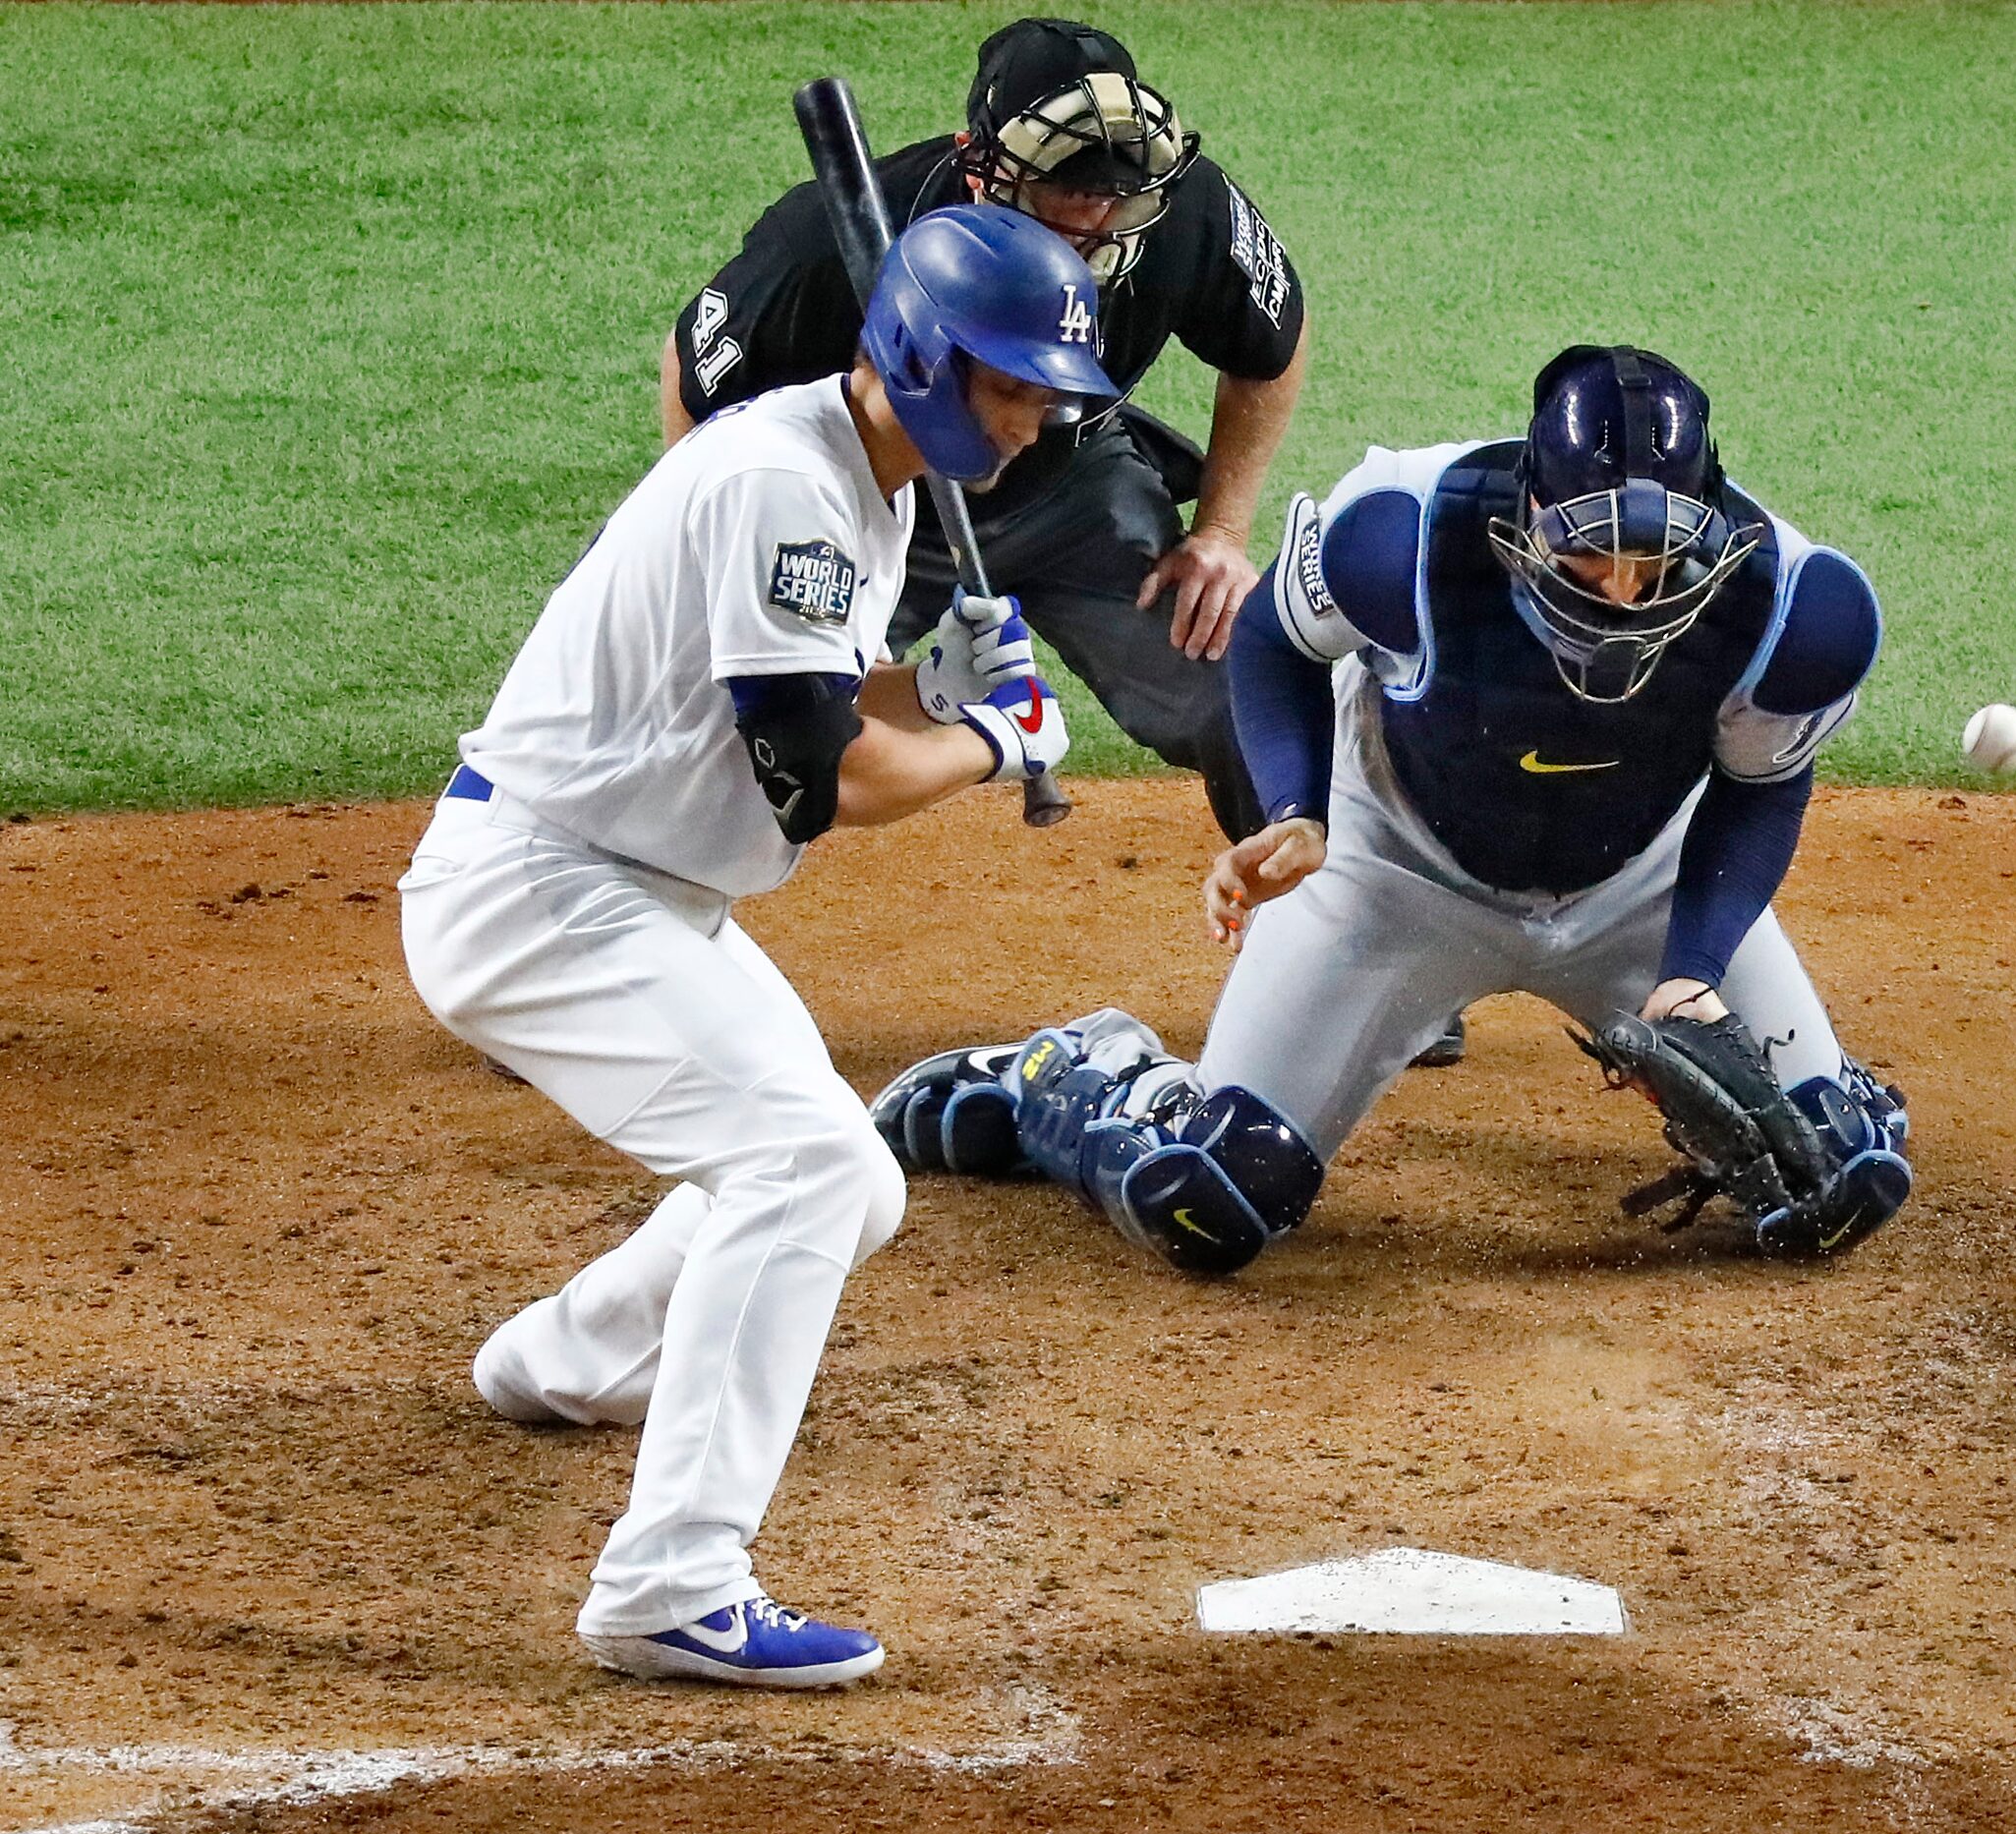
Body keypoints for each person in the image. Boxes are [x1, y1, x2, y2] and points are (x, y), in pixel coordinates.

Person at [400, 206, 1109, 1687]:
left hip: (633, 883)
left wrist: (926, 684)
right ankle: (669, 1584)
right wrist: (987, 737)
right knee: (810, 1170)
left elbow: (827, 703)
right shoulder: (787, 481)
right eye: (1013, 383)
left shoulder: (868, 478)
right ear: (919, 358)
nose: (1037, 420)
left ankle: (567, 1357)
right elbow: (826, 780)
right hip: (542, 888)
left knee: (840, 1186)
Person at [869, 345, 1913, 1276]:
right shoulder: (1405, 533)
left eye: (1653, 548)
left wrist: (1691, 971)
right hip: (1393, 875)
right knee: (1208, 1198)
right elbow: (1276, 641)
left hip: (1643, 883)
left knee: (1831, 1181)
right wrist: (1297, 811)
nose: (1626, 587)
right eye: (1590, 545)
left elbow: (1759, 785)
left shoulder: (1796, 606)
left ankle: (1820, 1082)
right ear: (1531, 505)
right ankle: (1074, 1078)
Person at [666, 16, 1306, 846]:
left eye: (1116, 192)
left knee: (1238, 683)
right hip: (880, 503)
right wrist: (721, 552)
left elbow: (1273, 346)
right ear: (983, 167)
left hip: (1078, 487)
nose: (1098, 218)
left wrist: (1221, 530)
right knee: (756, 721)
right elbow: (694, 371)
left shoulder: (1184, 213)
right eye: (1069, 189)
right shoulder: (833, 241)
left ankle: (1301, 916)